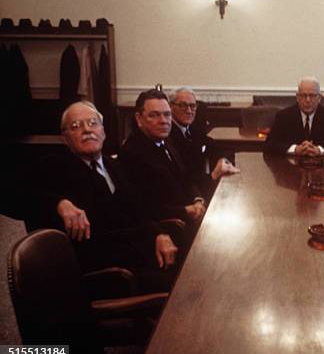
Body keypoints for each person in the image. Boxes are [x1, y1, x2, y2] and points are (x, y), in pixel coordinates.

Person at [30, 101, 180, 292]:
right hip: (109, 274)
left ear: (103, 131)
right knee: (186, 289)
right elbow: (19, 192)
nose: (87, 130)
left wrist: (159, 234)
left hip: (141, 256)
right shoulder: (53, 168)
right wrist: (59, 203)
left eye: (93, 123)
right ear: (65, 138)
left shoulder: (116, 165)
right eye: (76, 126)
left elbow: (139, 209)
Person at [120, 89, 206, 226]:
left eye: (167, 115)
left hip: (189, 215)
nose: (163, 121)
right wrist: (185, 210)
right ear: (139, 118)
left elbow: (185, 178)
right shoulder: (132, 153)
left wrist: (197, 199)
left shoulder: (165, 141)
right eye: (154, 115)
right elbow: (143, 208)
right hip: (168, 227)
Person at [167, 86, 239, 199]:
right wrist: (214, 175)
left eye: (192, 106)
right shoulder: (167, 134)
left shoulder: (192, 130)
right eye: (183, 105)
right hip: (185, 197)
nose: (189, 111)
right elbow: (184, 178)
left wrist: (222, 160)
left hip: (201, 188)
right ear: (170, 107)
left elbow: (216, 148)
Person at [264, 77, 324, 156]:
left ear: (319, 97)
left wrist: (319, 150)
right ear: (297, 97)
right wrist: (295, 149)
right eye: (303, 95)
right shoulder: (283, 116)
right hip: (290, 169)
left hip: (322, 169)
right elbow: (269, 146)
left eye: (312, 95)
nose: (308, 100)